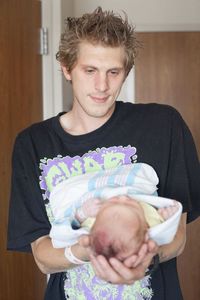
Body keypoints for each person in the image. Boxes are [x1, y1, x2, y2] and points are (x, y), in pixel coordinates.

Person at [7, 6, 200, 300]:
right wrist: (83, 251)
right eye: (90, 71)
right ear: (66, 68)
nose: (102, 86)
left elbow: (176, 237)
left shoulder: (164, 125)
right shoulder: (32, 144)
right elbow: (43, 255)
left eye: (113, 72)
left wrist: (142, 259)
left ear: (126, 72)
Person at [48, 163, 182, 256]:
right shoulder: (150, 222)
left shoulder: (94, 226)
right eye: (130, 205)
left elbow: (67, 231)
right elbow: (164, 227)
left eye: (115, 205)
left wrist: (82, 213)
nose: (123, 198)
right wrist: (166, 216)